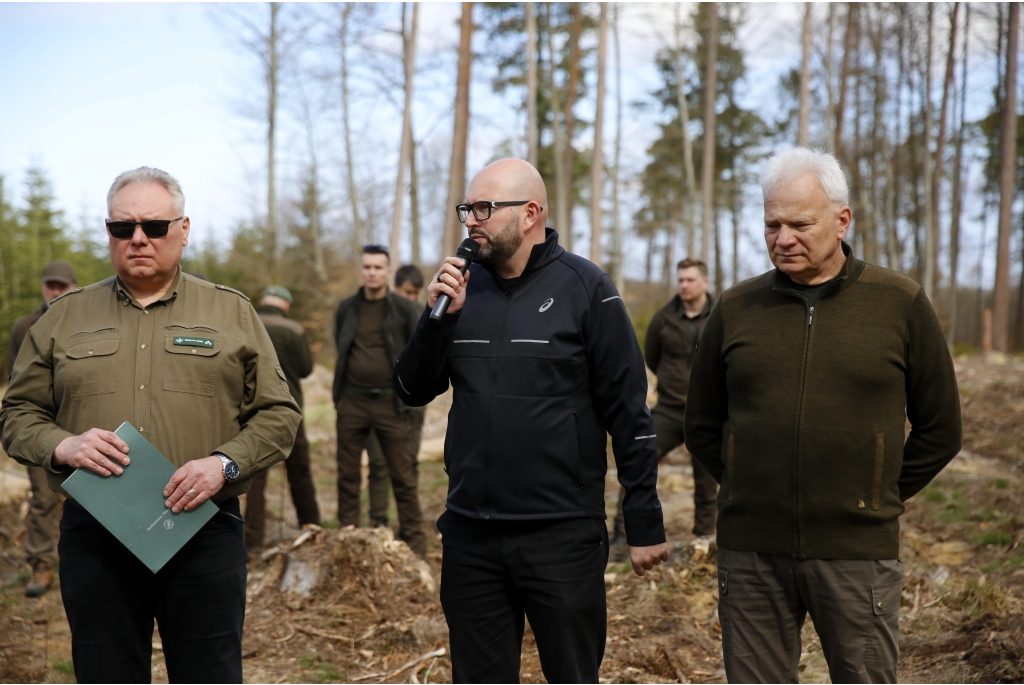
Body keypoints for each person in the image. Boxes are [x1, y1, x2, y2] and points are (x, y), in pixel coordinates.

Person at [0, 167, 301, 683]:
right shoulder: (63, 318)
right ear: (109, 232)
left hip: (203, 529)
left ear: (183, 229)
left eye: (154, 226)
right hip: (97, 537)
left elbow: (279, 414)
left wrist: (224, 465)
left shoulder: (232, 313)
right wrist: (63, 446)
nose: (138, 238)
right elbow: (17, 414)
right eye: (123, 227)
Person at [685, 148, 962, 684]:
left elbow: (941, 428)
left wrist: (876, 493)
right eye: (772, 225)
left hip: (857, 551)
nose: (783, 239)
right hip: (751, 552)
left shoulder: (898, 302)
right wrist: (749, 484)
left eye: (800, 224)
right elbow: (700, 422)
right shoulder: (736, 307)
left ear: (842, 220)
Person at [394, 158, 668, 683]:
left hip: (561, 534)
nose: (471, 221)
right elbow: (410, 390)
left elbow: (629, 411)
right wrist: (436, 321)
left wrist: (644, 521)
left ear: (530, 214)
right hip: (471, 534)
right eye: (467, 209)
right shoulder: (461, 291)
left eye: (484, 209)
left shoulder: (587, 288)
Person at [612, 257, 716, 547]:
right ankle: (622, 536)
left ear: (705, 282)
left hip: (707, 412)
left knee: (707, 481)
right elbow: (652, 356)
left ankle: (704, 540)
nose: (684, 285)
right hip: (669, 409)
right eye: (680, 279)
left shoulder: (721, 314)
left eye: (690, 280)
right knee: (639, 462)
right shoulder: (663, 317)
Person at [333, 246, 426, 556]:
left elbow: (418, 349)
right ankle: (346, 545)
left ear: (388, 272)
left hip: (391, 402)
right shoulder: (347, 308)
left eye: (378, 267)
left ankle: (417, 546)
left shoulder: (404, 309)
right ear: (361, 270)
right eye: (367, 267)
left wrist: (411, 395)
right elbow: (341, 347)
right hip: (352, 401)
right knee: (347, 476)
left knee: (403, 476)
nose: (372, 272)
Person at [5, 260, 78, 597]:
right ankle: (42, 562)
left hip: (83, 425)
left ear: (74, 287)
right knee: (43, 497)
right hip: (41, 428)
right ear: (43, 286)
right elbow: (16, 385)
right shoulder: (25, 327)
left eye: (62, 285)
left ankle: (102, 565)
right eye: (51, 285)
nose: (56, 291)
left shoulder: (87, 319)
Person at [245, 285, 321, 553]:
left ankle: (252, 542)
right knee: (300, 473)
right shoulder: (295, 330)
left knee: (255, 479)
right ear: (286, 306)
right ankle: (312, 530)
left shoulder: (247, 323)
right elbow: (306, 369)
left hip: (252, 411)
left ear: (263, 301)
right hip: (290, 411)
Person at [365, 264, 426, 528]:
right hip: (382, 399)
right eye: (407, 292)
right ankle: (378, 523)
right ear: (395, 288)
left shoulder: (424, 314)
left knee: (408, 461)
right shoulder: (379, 313)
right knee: (378, 463)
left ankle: (409, 524)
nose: (411, 298)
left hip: (413, 402)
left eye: (415, 294)